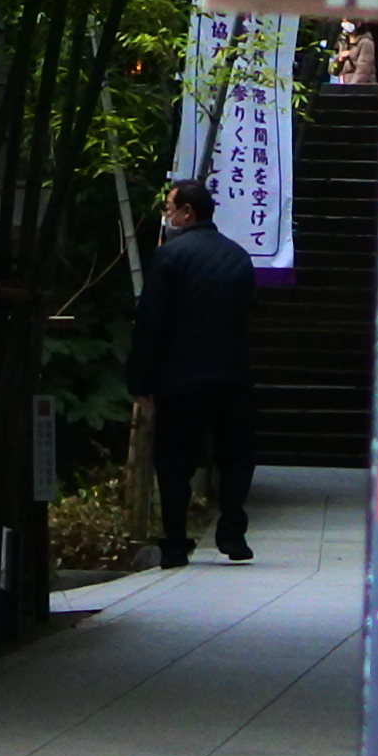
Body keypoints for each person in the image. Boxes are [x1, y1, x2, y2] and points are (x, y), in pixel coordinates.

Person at [127, 177, 258, 567]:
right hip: (233, 373)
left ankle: (174, 541)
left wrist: (141, 379)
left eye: (169, 208)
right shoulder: (238, 257)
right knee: (235, 455)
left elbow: (151, 322)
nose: (166, 215)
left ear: (187, 212)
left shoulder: (169, 257)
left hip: (182, 377)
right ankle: (232, 533)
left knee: (174, 462)